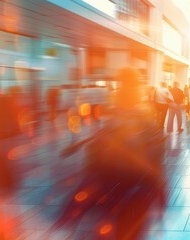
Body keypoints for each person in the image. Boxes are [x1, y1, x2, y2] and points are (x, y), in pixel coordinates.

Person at [49, 67, 167, 240]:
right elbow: (156, 149)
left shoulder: (121, 112)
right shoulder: (140, 115)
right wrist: (157, 181)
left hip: (115, 177)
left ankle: (69, 219)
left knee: (113, 223)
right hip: (131, 178)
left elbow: (100, 146)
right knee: (126, 227)